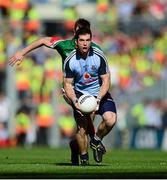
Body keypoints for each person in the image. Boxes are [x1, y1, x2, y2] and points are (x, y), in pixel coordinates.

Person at [8, 18, 102, 165]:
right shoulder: (64, 45)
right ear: (74, 32)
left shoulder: (94, 49)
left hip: (89, 90)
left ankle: (76, 146)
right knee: (83, 119)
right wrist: (22, 52)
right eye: (79, 30)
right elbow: (44, 40)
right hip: (71, 90)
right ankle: (86, 156)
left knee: (85, 124)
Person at [63, 27, 117, 165]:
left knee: (110, 120)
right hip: (81, 96)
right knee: (82, 128)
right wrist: (75, 101)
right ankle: (84, 158)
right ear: (76, 42)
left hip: (99, 93)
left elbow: (106, 80)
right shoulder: (70, 60)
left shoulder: (99, 57)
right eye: (82, 40)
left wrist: (98, 99)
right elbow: (68, 84)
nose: (85, 43)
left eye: (88, 40)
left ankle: (96, 140)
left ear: (91, 41)